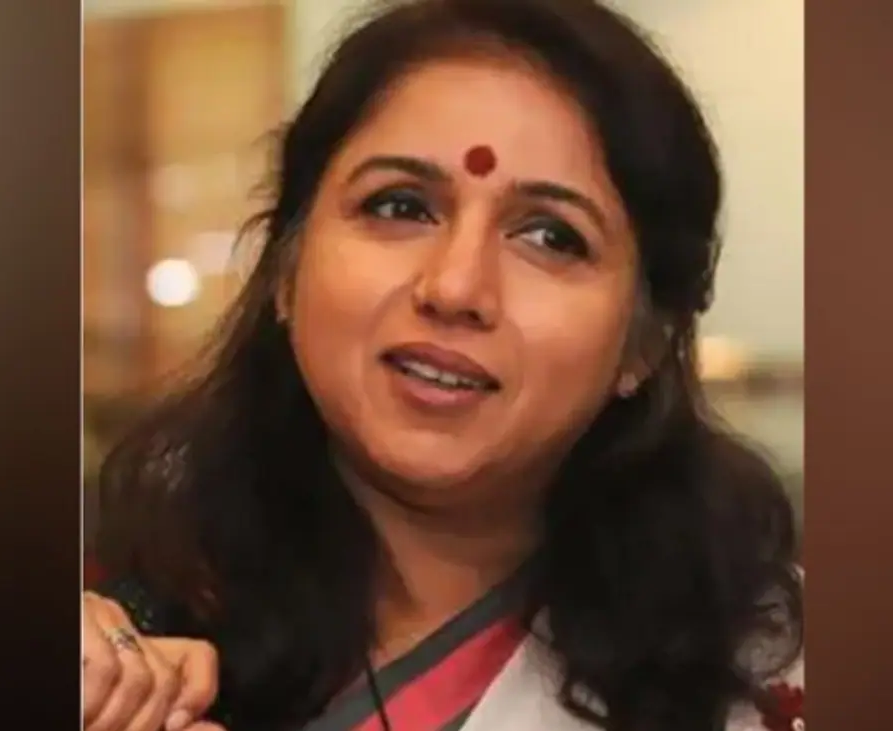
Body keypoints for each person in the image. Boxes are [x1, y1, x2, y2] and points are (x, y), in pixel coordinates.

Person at [82, 0, 804, 729]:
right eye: (400, 206)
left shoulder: (766, 678)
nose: (456, 287)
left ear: (644, 343)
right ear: (287, 267)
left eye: (552, 237)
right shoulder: (118, 607)